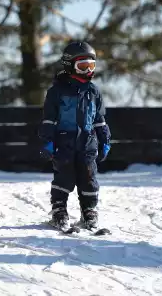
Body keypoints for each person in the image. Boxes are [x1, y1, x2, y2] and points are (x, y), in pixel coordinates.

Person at [38, 41, 112, 231]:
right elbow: (49, 120)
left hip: (87, 142)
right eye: (83, 66)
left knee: (89, 176)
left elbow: (99, 119)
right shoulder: (56, 92)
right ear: (70, 65)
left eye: (91, 65)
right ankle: (59, 210)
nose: (88, 70)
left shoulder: (93, 91)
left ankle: (89, 211)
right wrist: (47, 141)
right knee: (65, 176)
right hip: (64, 142)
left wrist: (105, 140)